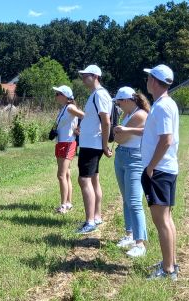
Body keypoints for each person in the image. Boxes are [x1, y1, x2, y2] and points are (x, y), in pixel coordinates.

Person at [138, 64, 180, 280]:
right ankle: (169, 262)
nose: (147, 81)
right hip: (166, 169)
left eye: (149, 78)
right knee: (167, 219)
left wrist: (151, 166)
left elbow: (166, 140)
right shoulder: (165, 104)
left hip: (160, 171)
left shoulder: (163, 106)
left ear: (154, 81)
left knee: (161, 221)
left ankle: (168, 270)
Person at [111, 86, 150, 258]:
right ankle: (129, 234)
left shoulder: (139, 115)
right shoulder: (127, 115)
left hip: (134, 159)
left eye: (119, 102)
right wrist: (118, 133)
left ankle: (140, 243)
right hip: (122, 156)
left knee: (134, 201)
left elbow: (120, 138)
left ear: (127, 100)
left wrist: (120, 132)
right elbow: (118, 137)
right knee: (126, 199)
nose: (117, 105)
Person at [75, 65, 112, 235]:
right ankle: (96, 217)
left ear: (96, 76)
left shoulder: (99, 95)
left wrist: (104, 145)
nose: (83, 78)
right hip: (91, 143)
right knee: (94, 180)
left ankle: (90, 221)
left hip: (92, 145)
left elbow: (106, 121)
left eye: (86, 75)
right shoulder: (96, 95)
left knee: (84, 180)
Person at [50, 85, 84, 214]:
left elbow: (84, 116)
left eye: (58, 94)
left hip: (67, 143)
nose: (56, 96)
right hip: (61, 143)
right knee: (67, 174)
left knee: (61, 175)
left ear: (65, 96)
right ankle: (68, 203)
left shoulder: (70, 107)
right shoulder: (65, 108)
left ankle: (63, 205)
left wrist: (79, 129)